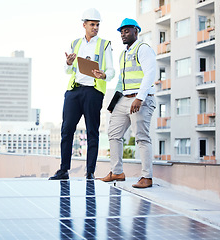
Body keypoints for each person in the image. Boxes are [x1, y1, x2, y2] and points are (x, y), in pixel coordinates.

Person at [49, 8, 115, 180]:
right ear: (84, 25)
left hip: (93, 92)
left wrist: (105, 75)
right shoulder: (75, 43)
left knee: (92, 131)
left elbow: (112, 70)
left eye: (97, 25)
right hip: (74, 91)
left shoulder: (105, 44)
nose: (95, 27)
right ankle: (63, 170)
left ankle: (90, 172)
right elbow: (68, 70)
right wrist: (68, 63)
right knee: (67, 129)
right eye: (92, 24)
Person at [99, 18, 156, 188]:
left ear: (136, 31)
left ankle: (147, 177)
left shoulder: (143, 49)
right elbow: (121, 81)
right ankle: (117, 172)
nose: (123, 34)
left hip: (140, 99)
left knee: (141, 137)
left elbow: (150, 73)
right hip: (123, 100)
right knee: (114, 134)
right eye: (121, 31)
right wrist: (113, 104)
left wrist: (140, 97)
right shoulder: (123, 54)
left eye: (126, 30)